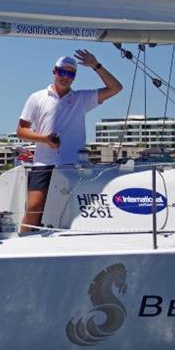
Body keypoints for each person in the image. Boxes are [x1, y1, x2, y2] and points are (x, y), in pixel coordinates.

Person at [17, 50, 122, 232]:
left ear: (74, 77)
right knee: (34, 208)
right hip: (44, 163)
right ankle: (22, 245)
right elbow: (21, 130)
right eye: (62, 72)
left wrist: (96, 66)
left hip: (73, 165)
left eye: (70, 74)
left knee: (72, 209)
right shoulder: (37, 97)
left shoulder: (81, 99)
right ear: (54, 72)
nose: (65, 77)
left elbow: (116, 88)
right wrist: (45, 139)